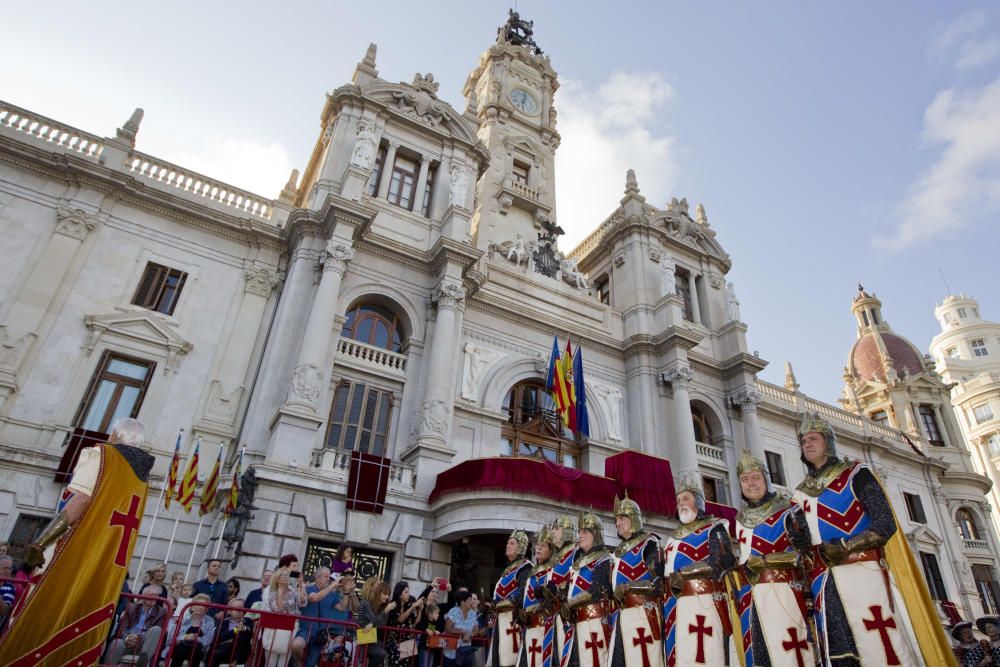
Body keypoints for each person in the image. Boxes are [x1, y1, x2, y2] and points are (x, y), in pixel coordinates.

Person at [792, 413, 954, 666]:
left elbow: (884, 524)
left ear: (828, 442)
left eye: (813, 438)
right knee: (839, 653)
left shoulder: (856, 473)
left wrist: (845, 546)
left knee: (882, 645)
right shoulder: (800, 493)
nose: (808, 444)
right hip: (824, 581)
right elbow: (803, 540)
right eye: (803, 441)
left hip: (864, 572)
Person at [0, 417, 155, 665]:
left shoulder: (101, 455)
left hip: (78, 551)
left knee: (40, 617)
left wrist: (41, 541)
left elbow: (81, 500)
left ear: (113, 435)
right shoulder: (141, 477)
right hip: (108, 565)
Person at [733, 449, 814, 667]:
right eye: (745, 479)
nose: (750, 484)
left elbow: (806, 552)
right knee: (761, 657)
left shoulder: (788, 509)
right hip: (752, 596)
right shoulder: (739, 519)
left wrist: (770, 560)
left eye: (755, 478)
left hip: (786, 591)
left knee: (792, 653)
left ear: (766, 480)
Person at [663, 472, 735, 666]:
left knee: (707, 655)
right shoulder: (671, 538)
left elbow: (722, 563)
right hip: (674, 607)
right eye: (678, 500)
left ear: (699, 502)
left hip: (704, 602)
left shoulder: (714, 528)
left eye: (686, 498)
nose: (681, 503)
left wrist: (683, 574)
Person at [608, 492, 664, 667]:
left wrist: (627, 587)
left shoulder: (649, 543)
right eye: (616, 519)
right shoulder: (618, 551)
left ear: (633, 518)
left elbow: (658, 584)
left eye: (622, 518)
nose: (617, 523)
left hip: (643, 614)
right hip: (622, 615)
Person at [562, 511, 613, 667]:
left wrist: (570, 604)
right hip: (577, 622)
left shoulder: (604, 558)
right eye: (579, 532)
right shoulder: (579, 562)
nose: (580, 535)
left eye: (585, 532)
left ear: (595, 534)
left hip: (595, 622)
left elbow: (595, 591)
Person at [292, 566, 356, 667]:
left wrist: (346, 592)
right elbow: (314, 598)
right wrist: (333, 585)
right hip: (304, 630)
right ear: (317, 577)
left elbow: (342, 607)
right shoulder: (308, 588)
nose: (328, 579)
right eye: (326, 577)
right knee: (296, 646)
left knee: (311, 664)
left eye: (329, 577)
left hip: (319, 634)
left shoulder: (331, 594)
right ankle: (299, 662)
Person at [488, 529, 532, 667]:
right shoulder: (508, 570)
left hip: (514, 621)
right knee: (498, 658)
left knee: (510, 660)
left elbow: (522, 593)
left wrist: (502, 604)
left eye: (512, 543)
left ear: (521, 547)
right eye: (507, 543)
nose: (508, 545)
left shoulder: (526, 567)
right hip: (501, 621)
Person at [518, 525, 557, 667]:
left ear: (551, 550)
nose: (538, 548)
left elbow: (555, 598)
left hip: (545, 626)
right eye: (537, 545)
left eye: (543, 546)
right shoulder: (530, 573)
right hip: (529, 627)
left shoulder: (552, 571)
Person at [104, 583, 168, 665]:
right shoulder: (131, 607)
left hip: (145, 644)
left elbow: (158, 635)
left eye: (156, 595)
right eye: (150, 595)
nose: (153, 598)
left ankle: (143, 662)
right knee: (117, 643)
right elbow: (122, 628)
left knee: (156, 629)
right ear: (143, 596)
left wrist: (139, 638)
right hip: (129, 640)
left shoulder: (162, 612)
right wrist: (127, 638)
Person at [262, 565, 306, 666]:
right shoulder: (272, 593)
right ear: (277, 578)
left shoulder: (293, 592)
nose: (286, 577)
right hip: (275, 630)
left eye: (287, 575)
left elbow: (302, 602)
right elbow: (279, 609)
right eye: (283, 575)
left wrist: (301, 584)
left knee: (283, 663)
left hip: (290, 629)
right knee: (270, 663)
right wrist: (280, 590)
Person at [165, 592, 216, 667]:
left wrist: (196, 639)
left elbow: (208, 641)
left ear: (206, 608)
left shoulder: (210, 621)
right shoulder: (183, 618)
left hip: (198, 649)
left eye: (204, 605)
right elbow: (171, 639)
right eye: (198, 604)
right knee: (180, 650)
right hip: (180, 647)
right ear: (192, 606)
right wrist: (185, 637)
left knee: (196, 651)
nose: (200, 607)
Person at [357, 578, 395, 667]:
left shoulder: (382, 607)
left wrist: (385, 611)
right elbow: (372, 621)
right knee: (381, 654)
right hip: (363, 640)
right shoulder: (366, 603)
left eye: (388, 594)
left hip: (374, 641)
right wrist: (384, 611)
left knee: (382, 654)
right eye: (385, 594)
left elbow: (380, 624)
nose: (387, 597)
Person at [387, 580, 423, 666]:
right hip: (394, 640)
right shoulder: (393, 605)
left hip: (407, 639)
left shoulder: (410, 603)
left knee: (405, 663)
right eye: (406, 592)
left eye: (408, 592)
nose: (408, 594)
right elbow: (400, 619)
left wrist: (420, 610)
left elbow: (415, 622)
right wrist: (413, 606)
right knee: (395, 660)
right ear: (399, 594)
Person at [207, 597, 253, 667]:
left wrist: (243, 628)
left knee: (242, 632)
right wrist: (235, 630)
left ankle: (235, 659)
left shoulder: (248, 621)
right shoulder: (223, 622)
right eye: (236, 608)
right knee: (215, 654)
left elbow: (249, 631)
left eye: (241, 608)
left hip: (241, 652)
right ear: (229, 611)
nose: (239, 610)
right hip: (224, 650)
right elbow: (220, 637)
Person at [446, 590, 479, 667]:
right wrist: (462, 632)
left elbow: (476, 630)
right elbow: (447, 629)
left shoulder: (473, 613)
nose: (472, 602)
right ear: (462, 602)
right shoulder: (454, 611)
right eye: (470, 600)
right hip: (451, 653)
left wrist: (471, 634)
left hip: (466, 651)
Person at [417, 603, 441, 667]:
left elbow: (435, 631)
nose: (438, 615)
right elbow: (421, 626)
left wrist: (436, 632)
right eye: (436, 613)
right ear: (430, 614)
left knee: (430, 665)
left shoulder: (435, 622)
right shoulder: (425, 620)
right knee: (423, 664)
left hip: (432, 648)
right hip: (424, 647)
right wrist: (427, 630)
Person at [0, 555, 16, 632]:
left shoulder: (10, 587)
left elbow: (4, 611)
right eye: (4, 568)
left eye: (9, 568)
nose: (7, 571)